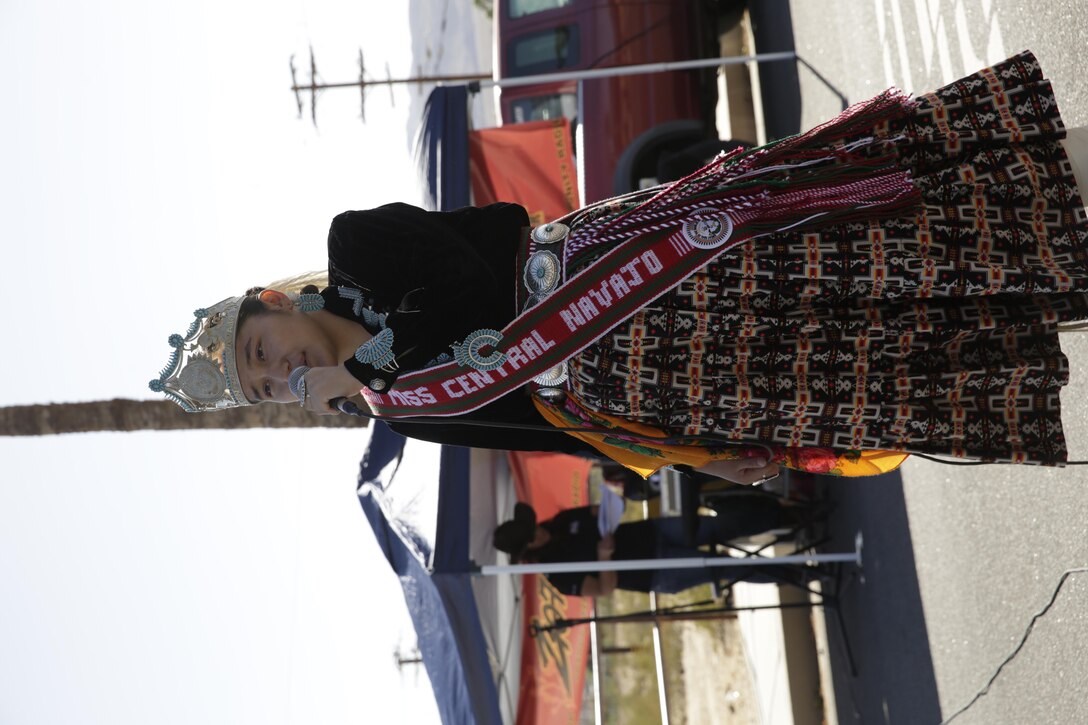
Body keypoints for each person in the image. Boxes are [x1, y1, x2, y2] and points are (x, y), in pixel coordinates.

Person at [151, 52, 1088, 483]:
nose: (279, 373)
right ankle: (1055, 294)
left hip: (646, 269)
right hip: (662, 387)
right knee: (874, 359)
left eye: (262, 349)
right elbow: (540, 431)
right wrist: (694, 456)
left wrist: (359, 368)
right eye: (265, 386)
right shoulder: (404, 409)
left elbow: (470, 286)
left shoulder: (355, 244)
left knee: (868, 240)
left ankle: (1050, 189)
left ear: (270, 301)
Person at [492, 500, 806, 597]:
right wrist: (604, 558)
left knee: (714, 525)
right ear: (529, 547)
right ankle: (797, 574)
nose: (539, 529)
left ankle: (789, 515)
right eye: (531, 532)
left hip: (649, 532)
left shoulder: (559, 521)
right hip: (654, 571)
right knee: (719, 565)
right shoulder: (558, 575)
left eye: (532, 523)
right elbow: (602, 589)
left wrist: (606, 510)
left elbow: (601, 509)